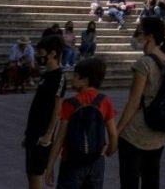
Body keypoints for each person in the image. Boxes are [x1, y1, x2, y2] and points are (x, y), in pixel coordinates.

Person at [114, 17, 165, 189]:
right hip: (158, 133)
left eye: (139, 32)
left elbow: (134, 102)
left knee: (130, 181)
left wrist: (116, 132)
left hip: (135, 133)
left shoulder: (144, 63)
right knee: (151, 179)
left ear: (150, 36)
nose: (136, 37)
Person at [45, 56, 116, 189]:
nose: (73, 79)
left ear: (85, 79)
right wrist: (109, 151)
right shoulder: (105, 101)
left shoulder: (70, 103)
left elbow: (60, 137)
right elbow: (112, 133)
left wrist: (50, 166)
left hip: (72, 160)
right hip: (96, 161)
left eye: (76, 76)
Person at [24, 36, 66, 189]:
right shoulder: (46, 75)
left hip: (43, 132)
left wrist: (49, 134)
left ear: (53, 53)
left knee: (36, 174)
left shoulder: (59, 77)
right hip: (33, 131)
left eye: (41, 53)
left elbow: (58, 106)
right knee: (30, 172)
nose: (39, 56)